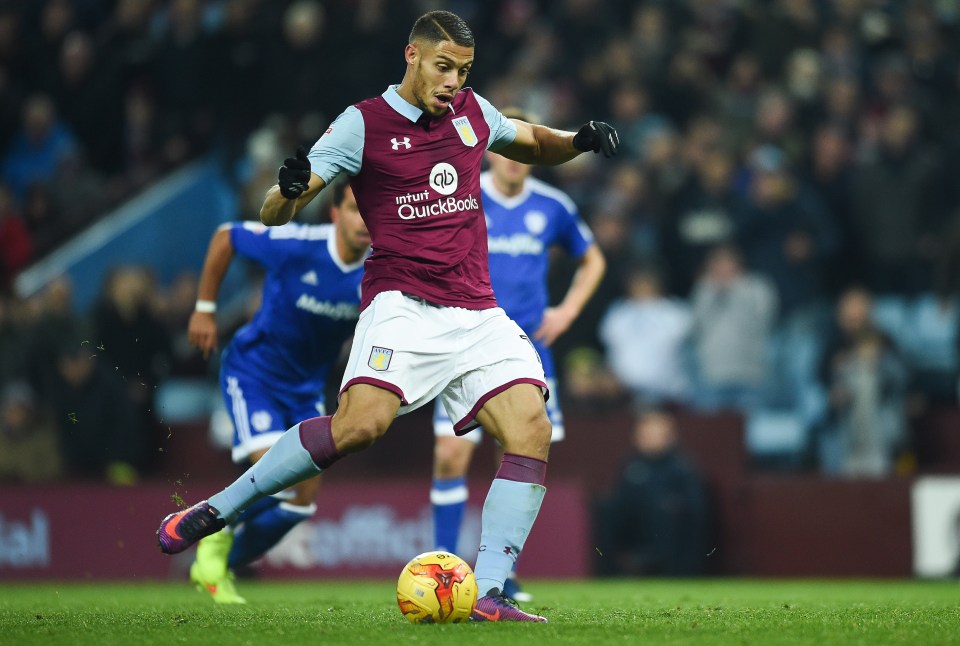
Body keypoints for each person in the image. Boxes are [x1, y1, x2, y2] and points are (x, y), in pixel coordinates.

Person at [157, 10, 618, 623]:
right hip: (402, 305)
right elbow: (275, 212)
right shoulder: (362, 124)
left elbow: (533, 141)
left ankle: (490, 590)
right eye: (443, 67)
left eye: (464, 70)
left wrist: (579, 141)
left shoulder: (475, 112)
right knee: (358, 430)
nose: (454, 81)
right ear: (412, 56)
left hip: (478, 311)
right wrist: (289, 191)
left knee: (530, 426)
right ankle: (217, 509)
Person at [429, 109, 606, 602]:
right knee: (450, 453)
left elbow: (592, 259)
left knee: (514, 453)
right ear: (491, 150)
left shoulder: (552, 206)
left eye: (522, 153)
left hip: (526, 350)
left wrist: (566, 311)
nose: (513, 161)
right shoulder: (461, 193)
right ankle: (441, 568)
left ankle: (499, 573)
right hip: (465, 343)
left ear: (531, 155)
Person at [184, 179, 369, 604]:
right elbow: (226, 236)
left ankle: (220, 562)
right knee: (273, 469)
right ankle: (216, 532)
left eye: (371, 212)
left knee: (302, 499)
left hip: (305, 390)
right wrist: (206, 309)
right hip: (255, 374)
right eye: (356, 210)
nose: (365, 221)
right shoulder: (297, 244)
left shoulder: (378, 273)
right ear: (335, 213)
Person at [594, 409, 709, 577]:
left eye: (656, 434)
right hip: (636, 532)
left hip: (669, 540)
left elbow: (695, 509)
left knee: (666, 509)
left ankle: (667, 569)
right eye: (645, 434)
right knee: (606, 509)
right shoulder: (630, 466)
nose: (650, 439)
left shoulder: (682, 468)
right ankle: (610, 572)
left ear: (670, 436)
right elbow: (622, 500)